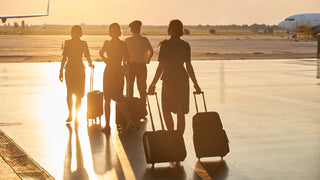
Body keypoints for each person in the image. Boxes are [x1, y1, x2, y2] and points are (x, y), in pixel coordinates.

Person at [148, 19, 201, 135]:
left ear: (170, 30)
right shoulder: (185, 45)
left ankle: (171, 135)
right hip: (182, 78)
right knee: (180, 110)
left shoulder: (165, 45)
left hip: (169, 78)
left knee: (166, 109)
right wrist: (196, 84)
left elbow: (161, 66)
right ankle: (179, 138)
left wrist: (153, 84)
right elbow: (189, 66)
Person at [99, 23, 133, 133]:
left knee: (107, 99)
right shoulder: (123, 44)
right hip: (118, 71)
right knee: (119, 99)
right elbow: (128, 60)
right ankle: (129, 122)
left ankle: (108, 125)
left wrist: (107, 61)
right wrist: (124, 67)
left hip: (109, 71)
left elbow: (100, 53)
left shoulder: (107, 43)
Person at [59, 25, 94, 122]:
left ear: (79, 33)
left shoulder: (82, 43)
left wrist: (90, 63)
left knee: (78, 94)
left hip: (77, 68)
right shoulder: (68, 43)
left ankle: (76, 114)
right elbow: (64, 58)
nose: (74, 33)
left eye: (75, 31)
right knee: (70, 92)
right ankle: (71, 113)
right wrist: (61, 70)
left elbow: (87, 56)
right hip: (72, 69)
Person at [125, 20, 153, 106]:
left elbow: (124, 54)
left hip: (131, 66)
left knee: (130, 87)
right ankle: (143, 106)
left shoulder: (128, 40)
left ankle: (130, 106)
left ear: (131, 30)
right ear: (139, 29)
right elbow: (151, 51)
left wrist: (125, 64)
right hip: (142, 66)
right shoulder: (144, 39)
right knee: (142, 87)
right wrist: (148, 60)